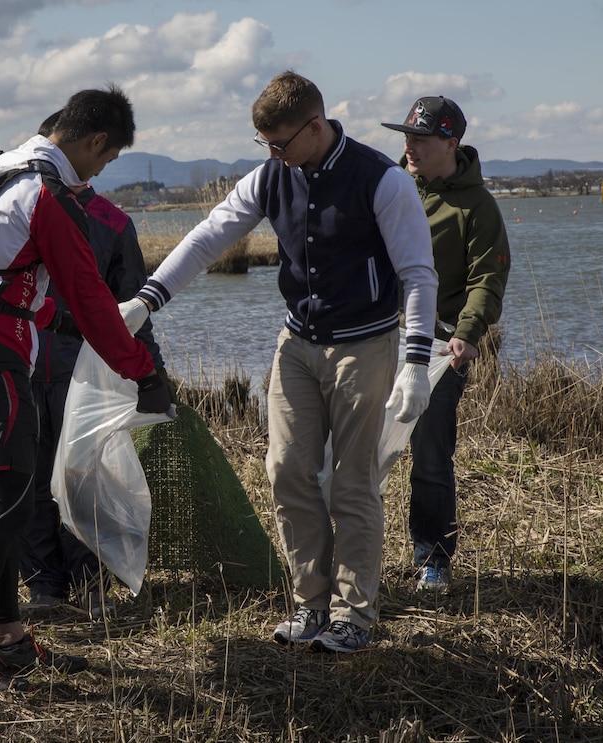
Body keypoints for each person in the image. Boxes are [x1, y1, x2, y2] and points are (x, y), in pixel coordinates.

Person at [118, 71, 438, 653]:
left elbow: (418, 273)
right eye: (264, 144)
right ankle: (311, 606)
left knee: (353, 483)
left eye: (280, 143)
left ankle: (353, 616)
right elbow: (209, 236)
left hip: (365, 345)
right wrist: (147, 299)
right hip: (297, 344)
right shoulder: (272, 175)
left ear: (315, 127)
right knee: (287, 471)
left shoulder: (383, 181)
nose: (272, 154)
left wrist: (415, 360)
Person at [0, 85, 172, 692]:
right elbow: (90, 300)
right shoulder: (48, 196)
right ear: (95, 141)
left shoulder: (0, 165)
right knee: (7, 501)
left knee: (12, 492)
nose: (102, 170)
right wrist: (144, 370)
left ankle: (9, 640)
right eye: (108, 158)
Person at [19, 110, 166, 620]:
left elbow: (134, 309)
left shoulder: (112, 223)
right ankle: (43, 586)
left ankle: (90, 581)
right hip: (19, 363)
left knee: (82, 474)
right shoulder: (18, 204)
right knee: (28, 478)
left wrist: (154, 374)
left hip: (83, 370)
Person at [381, 96, 510, 592]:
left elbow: (487, 281)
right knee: (350, 449)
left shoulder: (478, 206)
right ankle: (350, 556)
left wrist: (467, 334)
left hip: (439, 349)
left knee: (430, 454)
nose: (409, 146)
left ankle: (432, 558)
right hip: (375, 340)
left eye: (420, 138)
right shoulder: (389, 189)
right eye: (406, 136)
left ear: (450, 143)